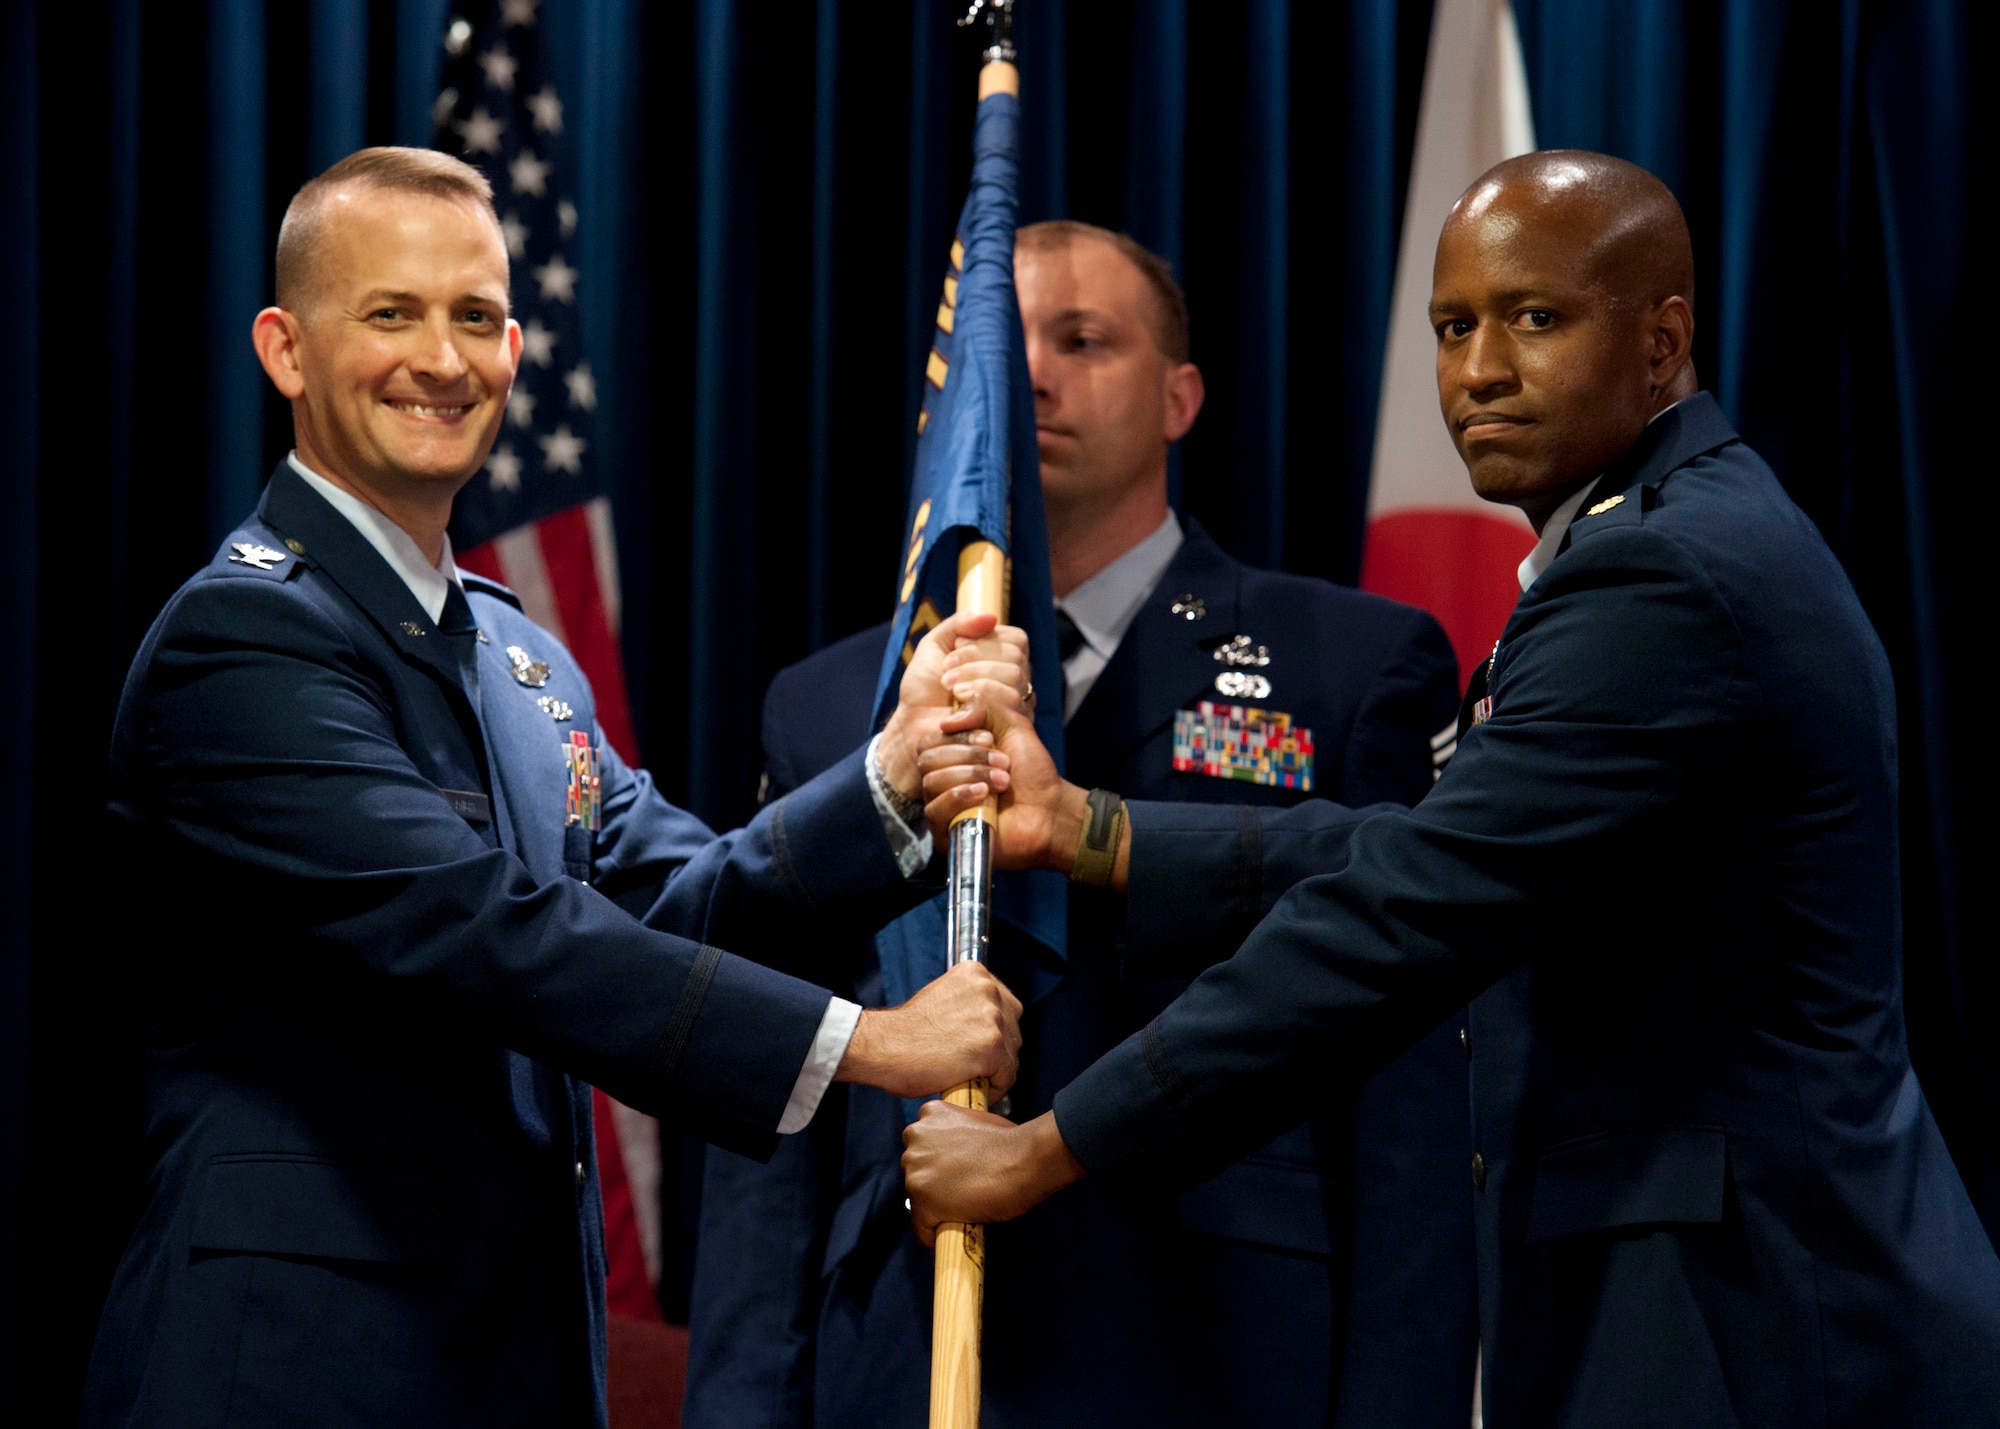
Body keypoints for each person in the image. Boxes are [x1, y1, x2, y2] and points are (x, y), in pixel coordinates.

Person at [903, 153, 2000, 1425]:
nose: (1478, 370)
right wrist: (1092, 831)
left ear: (1661, 343)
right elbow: (1436, 847)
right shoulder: (1659, 536)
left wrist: (1041, 1150)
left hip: (1759, 1333)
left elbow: (1407, 909)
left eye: (1534, 318)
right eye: (1451, 326)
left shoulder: (1666, 576)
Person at [81, 147, 1031, 1429]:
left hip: (512, 1362)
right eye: (390, 313)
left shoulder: (519, 656)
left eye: (475, 316)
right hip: (293, 1369)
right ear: (284, 349)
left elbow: (683, 904)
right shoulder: (240, 641)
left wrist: (887, 778)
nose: (443, 358)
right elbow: (491, 933)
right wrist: (867, 1043)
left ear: (520, 346)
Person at [687, 222, 1475, 1429]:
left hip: (1221, 1345)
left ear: (1178, 396)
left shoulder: (1348, 667)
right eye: (1003, 353)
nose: (1035, 378)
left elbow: (1404, 1094)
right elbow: (779, 1088)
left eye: (1082, 340)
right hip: (904, 1343)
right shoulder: (835, 703)